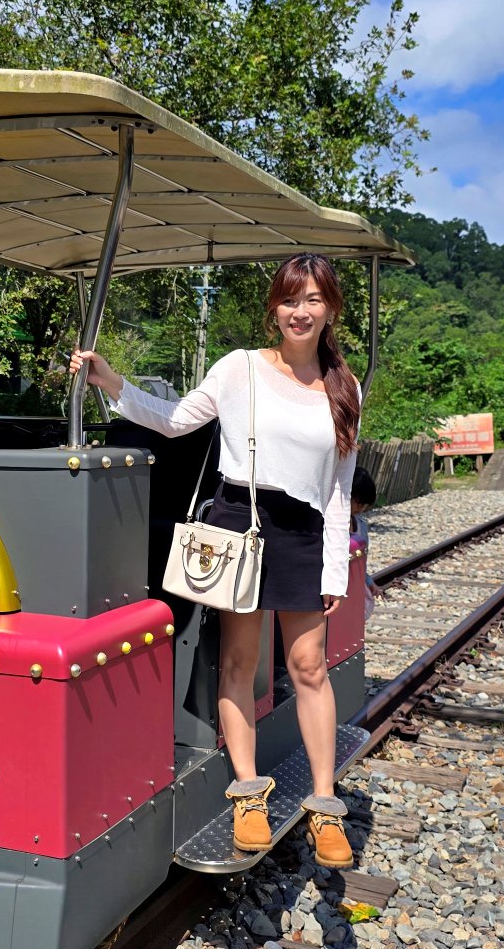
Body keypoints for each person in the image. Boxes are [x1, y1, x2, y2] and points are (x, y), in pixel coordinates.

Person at [70, 254, 358, 869]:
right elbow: (174, 423)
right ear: (273, 309)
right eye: (288, 299)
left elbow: (337, 490)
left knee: (308, 664)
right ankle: (249, 795)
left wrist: (334, 569)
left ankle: (325, 802)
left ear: (331, 308)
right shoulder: (240, 369)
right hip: (240, 522)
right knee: (238, 660)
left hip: (303, 530)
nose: (299, 311)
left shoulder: (343, 387)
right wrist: (111, 382)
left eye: (312, 300)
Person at [350, 467, 383, 621]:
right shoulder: (327, 524)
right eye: (358, 502)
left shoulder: (361, 525)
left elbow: (361, 563)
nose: (360, 508)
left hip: (354, 589)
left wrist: (369, 582)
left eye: (364, 505)